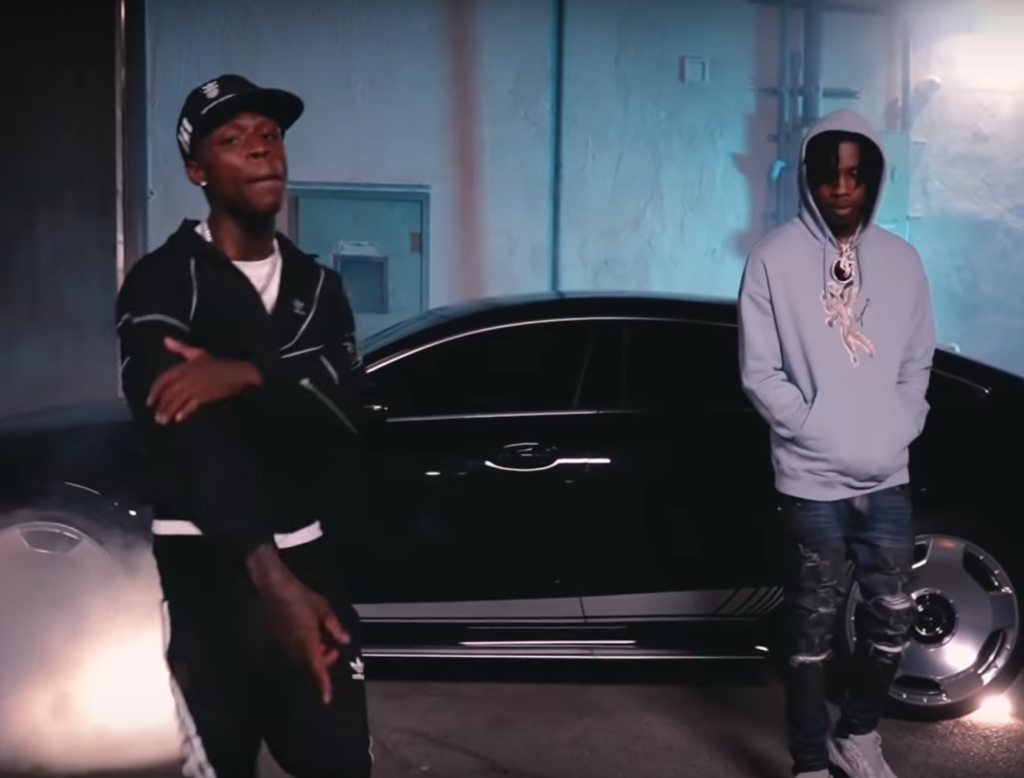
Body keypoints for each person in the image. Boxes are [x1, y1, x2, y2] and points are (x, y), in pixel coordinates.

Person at [116, 74, 373, 778]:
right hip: (205, 576)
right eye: (232, 139)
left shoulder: (319, 286)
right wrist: (270, 578)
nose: (261, 149)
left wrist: (248, 376)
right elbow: (183, 435)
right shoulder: (162, 281)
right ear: (196, 171)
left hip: (310, 565)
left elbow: (346, 411)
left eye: (270, 134)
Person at [738, 108, 936, 778]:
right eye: (829, 174)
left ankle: (858, 735)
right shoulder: (772, 259)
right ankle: (808, 762)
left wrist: (898, 424)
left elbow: (917, 361)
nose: (842, 188)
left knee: (892, 618)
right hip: (810, 482)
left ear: (875, 178)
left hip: (886, 477)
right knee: (811, 631)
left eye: (856, 174)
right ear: (808, 178)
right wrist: (814, 426)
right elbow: (760, 371)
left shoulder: (903, 262)